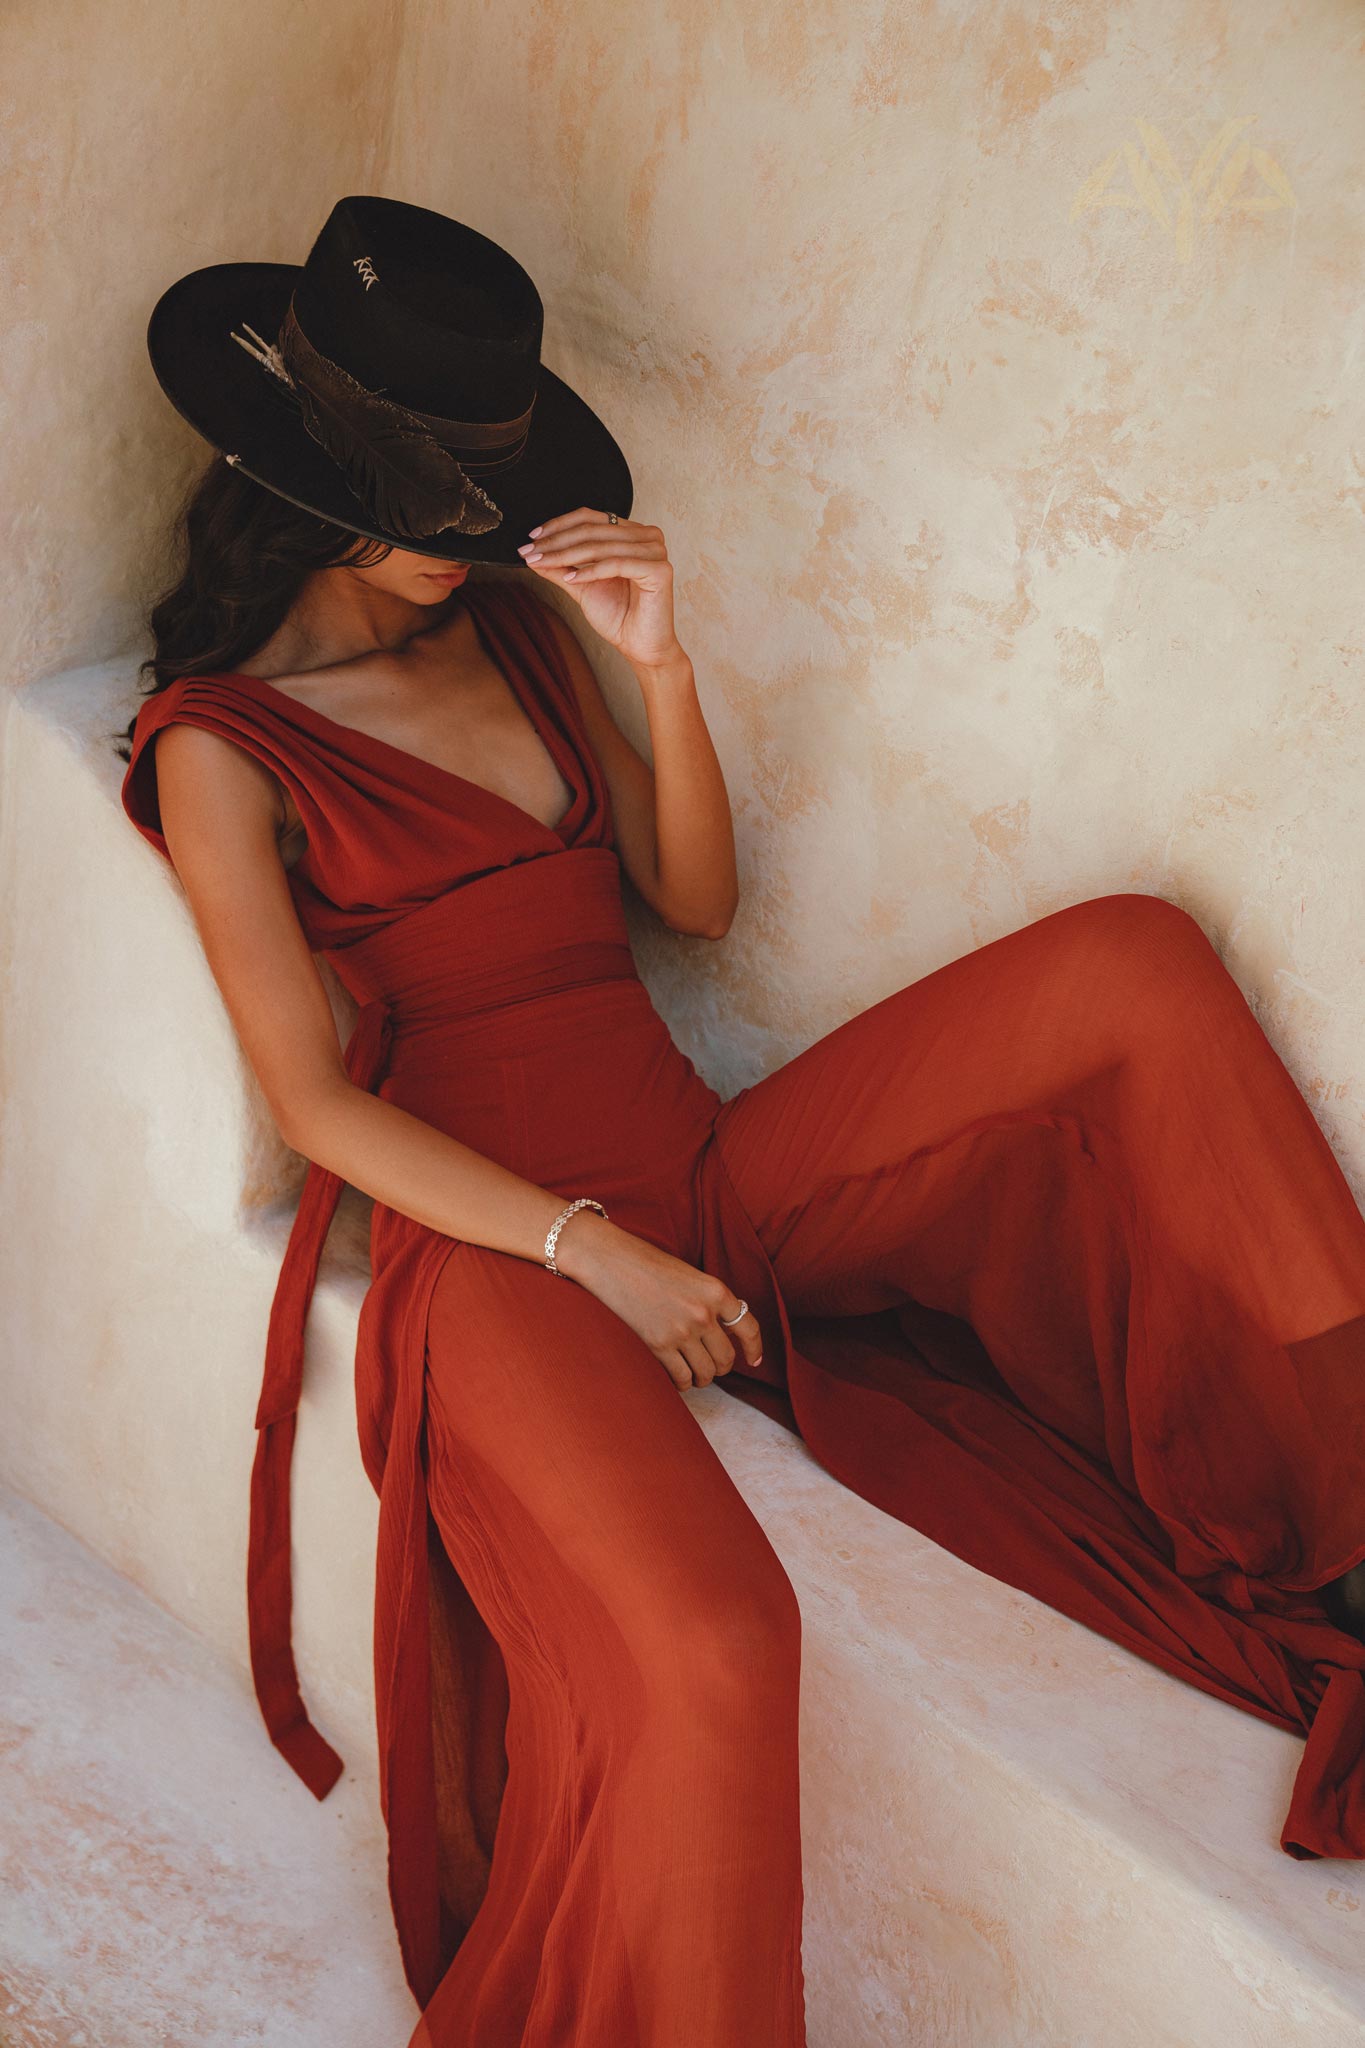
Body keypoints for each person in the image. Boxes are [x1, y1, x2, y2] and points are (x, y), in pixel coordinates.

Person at [118, 197, 1365, 2048]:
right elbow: (309, 1105)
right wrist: (589, 1252)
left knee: (1130, 965)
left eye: (487, 495)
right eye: (433, 503)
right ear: (301, 472)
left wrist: (659, 663)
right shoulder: (224, 743)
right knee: (709, 1649)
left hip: (704, 1174)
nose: (469, 543)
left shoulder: (524, 639)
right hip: (501, 1266)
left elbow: (687, 901)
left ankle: (1338, 1502)